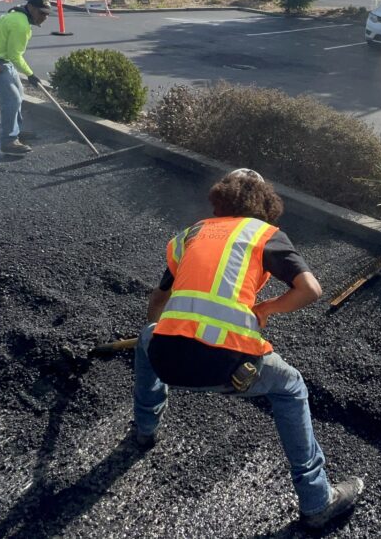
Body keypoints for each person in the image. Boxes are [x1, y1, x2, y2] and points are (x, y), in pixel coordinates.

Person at [131, 168, 364, 530]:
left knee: (147, 337)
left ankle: (145, 429)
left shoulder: (191, 233)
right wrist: (267, 308)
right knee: (291, 387)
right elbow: (310, 290)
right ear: (265, 204)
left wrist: (164, 332)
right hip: (227, 366)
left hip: (167, 360)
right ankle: (317, 501)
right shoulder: (264, 234)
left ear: (220, 200)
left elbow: (158, 299)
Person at [0, 0, 51, 155]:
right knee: (12, 99)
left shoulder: (19, 16)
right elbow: (15, 55)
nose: (45, 17)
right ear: (31, 8)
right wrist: (30, 74)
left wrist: (27, 74)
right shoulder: (20, 24)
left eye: (47, 14)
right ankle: (9, 141)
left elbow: (11, 55)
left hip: (2, 59)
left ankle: (16, 130)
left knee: (19, 94)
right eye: (41, 12)